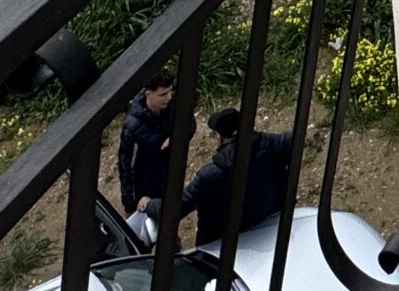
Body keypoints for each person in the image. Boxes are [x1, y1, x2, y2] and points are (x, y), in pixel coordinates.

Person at [132, 108, 297, 248]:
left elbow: (174, 209)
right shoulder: (270, 145)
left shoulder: (209, 176)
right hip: (269, 227)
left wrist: (148, 204)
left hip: (220, 245)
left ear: (220, 138)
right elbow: (294, 140)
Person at [115, 69, 175, 216]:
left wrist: (175, 139)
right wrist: (130, 204)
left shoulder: (172, 105)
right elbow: (124, 165)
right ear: (148, 94)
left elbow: (189, 124)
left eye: (170, 91)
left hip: (169, 177)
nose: (169, 97)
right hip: (146, 189)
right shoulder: (132, 127)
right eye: (163, 94)